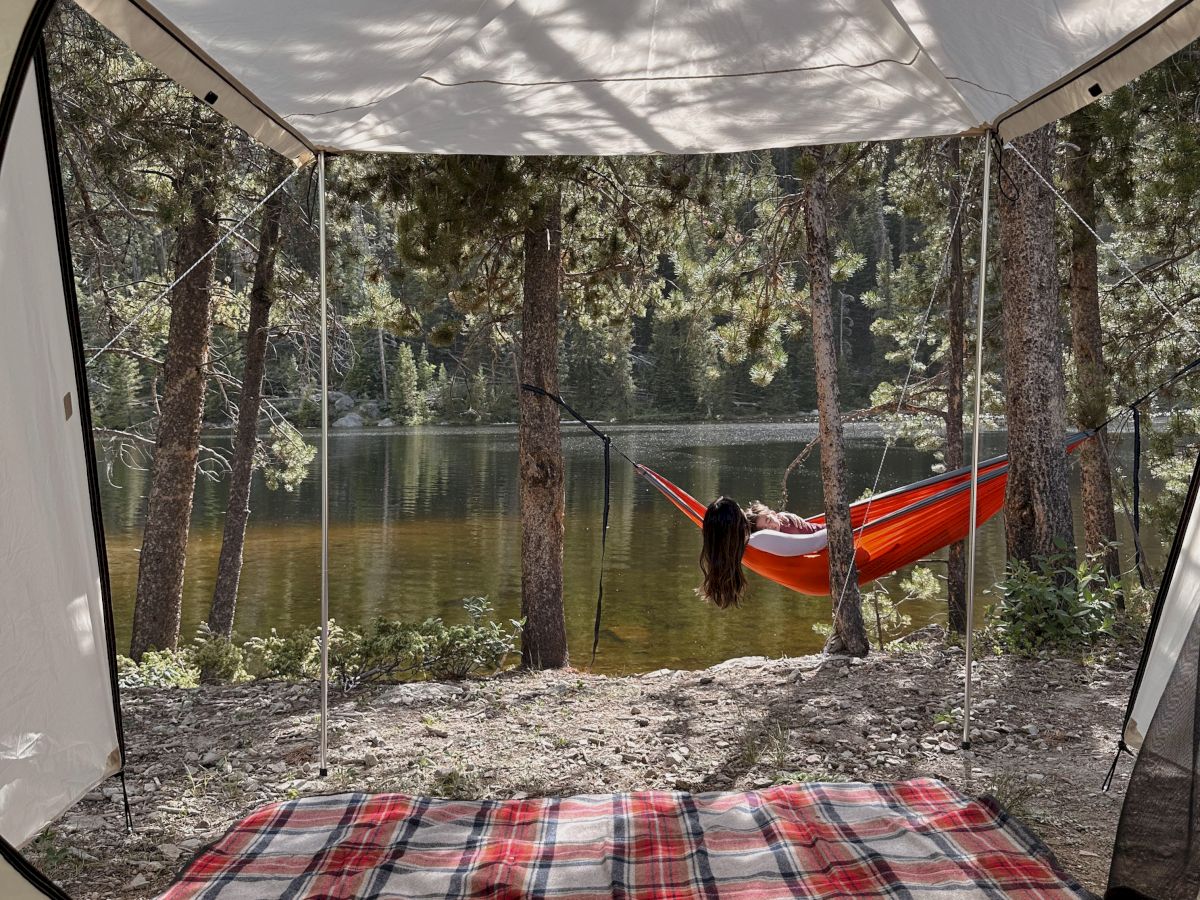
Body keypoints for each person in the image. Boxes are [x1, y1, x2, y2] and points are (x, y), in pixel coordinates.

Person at [698, 497, 828, 609]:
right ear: (737, 519)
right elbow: (817, 543)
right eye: (738, 509)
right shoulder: (760, 539)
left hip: (814, 579)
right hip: (822, 574)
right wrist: (841, 524)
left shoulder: (741, 549)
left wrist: (781, 517)